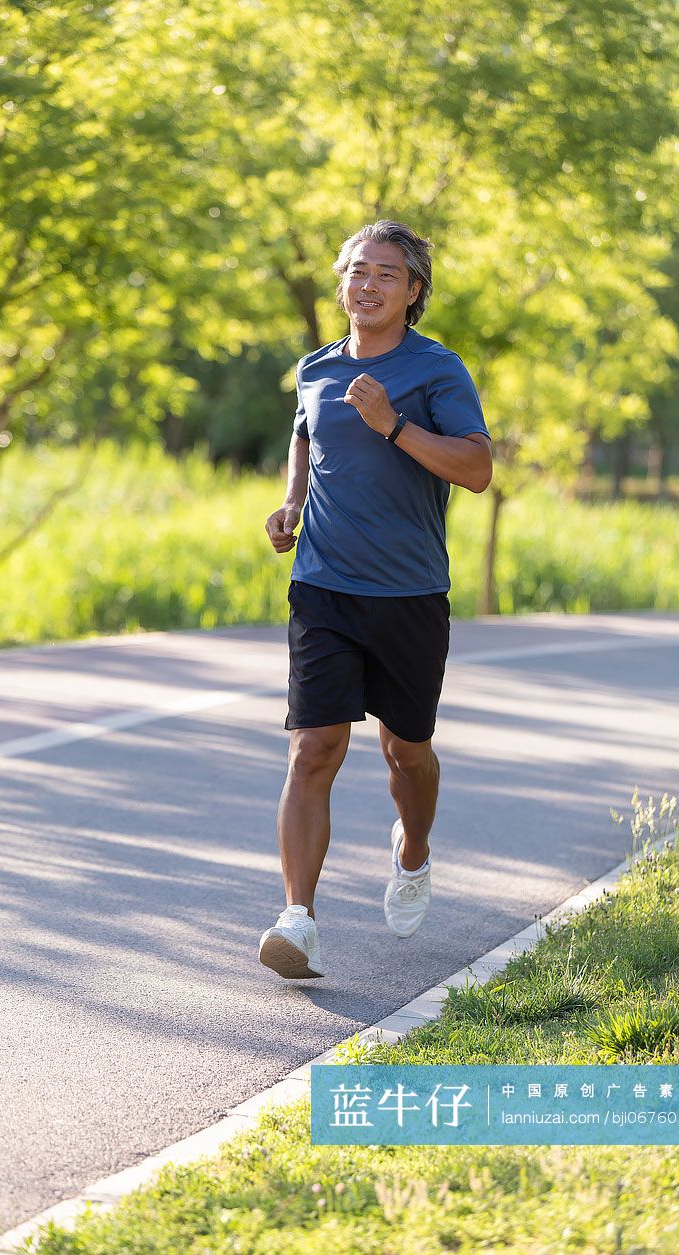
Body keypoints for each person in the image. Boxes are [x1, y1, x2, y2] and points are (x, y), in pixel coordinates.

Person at [259, 220, 492, 979]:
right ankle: (297, 920)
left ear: (413, 290)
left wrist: (392, 425)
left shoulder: (436, 370)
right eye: (356, 271)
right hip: (323, 586)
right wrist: (291, 504)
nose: (366, 285)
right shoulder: (317, 367)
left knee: (406, 751)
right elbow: (305, 436)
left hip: (408, 592)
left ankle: (413, 850)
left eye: (385, 274)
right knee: (313, 747)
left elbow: (476, 467)